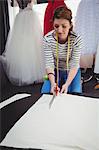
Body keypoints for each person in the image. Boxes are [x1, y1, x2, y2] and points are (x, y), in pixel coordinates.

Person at [0, 0, 45, 86]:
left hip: (20, 19)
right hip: (31, 19)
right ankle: (31, 75)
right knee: (33, 46)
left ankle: (24, 75)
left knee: (22, 47)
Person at [41, 6, 82, 94]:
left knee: (75, 93)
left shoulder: (76, 39)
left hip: (71, 70)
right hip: (55, 69)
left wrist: (67, 84)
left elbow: (74, 64)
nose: (59, 30)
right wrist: (53, 84)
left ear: (70, 25)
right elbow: (49, 64)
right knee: (46, 93)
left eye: (64, 26)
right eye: (56, 26)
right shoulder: (47, 39)